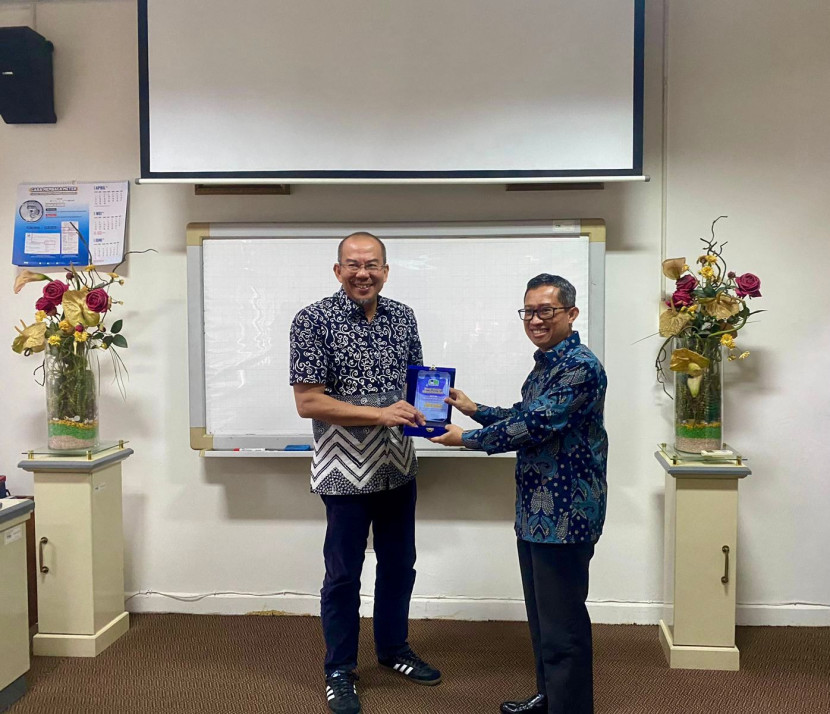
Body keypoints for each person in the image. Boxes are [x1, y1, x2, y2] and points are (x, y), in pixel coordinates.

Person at [431, 273, 608, 714]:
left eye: (545, 310)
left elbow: (536, 425)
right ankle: (550, 698)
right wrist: (474, 410)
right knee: (543, 620)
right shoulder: (547, 362)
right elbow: (524, 414)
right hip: (535, 509)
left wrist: (465, 440)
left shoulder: (580, 366)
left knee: (563, 624)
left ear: (571, 314)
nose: (535, 319)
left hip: (566, 515)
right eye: (528, 311)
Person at [289, 232, 442, 714]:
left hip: (399, 467)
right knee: (343, 575)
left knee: (400, 566)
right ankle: (339, 669)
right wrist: (379, 413)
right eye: (353, 265)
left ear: (386, 270)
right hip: (344, 473)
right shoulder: (313, 321)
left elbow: (418, 385)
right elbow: (308, 401)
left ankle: (393, 649)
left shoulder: (403, 316)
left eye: (372, 264)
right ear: (338, 271)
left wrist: (436, 406)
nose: (363, 273)